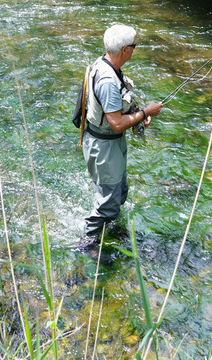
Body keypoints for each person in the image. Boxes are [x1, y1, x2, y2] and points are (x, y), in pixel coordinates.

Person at [78, 24, 162, 253]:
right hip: (104, 147)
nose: (135, 49)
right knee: (107, 203)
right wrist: (145, 113)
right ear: (125, 49)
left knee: (118, 193)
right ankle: (87, 245)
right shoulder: (106, 79)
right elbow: (115, 123)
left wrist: (136, 114)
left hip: (110, 144)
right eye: (134, 46)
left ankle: (109, 231)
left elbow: (115, 112)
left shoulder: (108, 64)